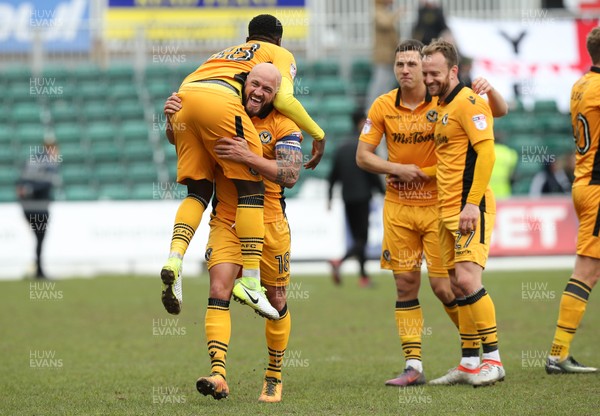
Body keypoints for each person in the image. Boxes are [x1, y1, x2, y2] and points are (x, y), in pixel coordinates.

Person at [356, 39, 508, 387]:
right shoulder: (394, 105)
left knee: (449, 286)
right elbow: (363, 156)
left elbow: (492, 121)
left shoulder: (453, 101)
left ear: (446, 72)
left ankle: (485, 356)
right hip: (403, 207)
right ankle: (423, 364)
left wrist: (491, 89)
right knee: (407, 283)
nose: (409, 72)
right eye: (402, 66)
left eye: (418, 67)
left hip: (448, 205)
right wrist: (399, 168)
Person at [161, 14, 325, 320]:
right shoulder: (277, 56)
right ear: (278, 40)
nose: (260, 91)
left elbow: (184, 129)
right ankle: (250, 281)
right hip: (219, 104)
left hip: (185, 96)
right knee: (252, 187)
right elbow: (287, 99)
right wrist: (318, 133)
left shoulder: (224, 55)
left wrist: (170, 121)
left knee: (197, 192)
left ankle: (174, 258)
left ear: (248, 38)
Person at [164, 62, 303, 402]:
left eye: (267, 90)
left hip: (269, 224)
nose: (257, 92)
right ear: (245, 82)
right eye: (254, 84)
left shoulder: (284, 124)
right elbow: (186, 142)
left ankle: (273, 375)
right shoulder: (224, 111)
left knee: (277, 300)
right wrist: (173, 121)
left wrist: (248, 156)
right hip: (226, 220)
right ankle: (218, 373)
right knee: (218, 289)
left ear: (276, 94)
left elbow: (289, 174)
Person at [422, 38, 505, 386]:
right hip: (444, 209)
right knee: (454, 285)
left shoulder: (469, 101)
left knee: (469, 280)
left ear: (454, 70)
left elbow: (486, 155)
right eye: (426, 72)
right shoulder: (442, 106)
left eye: (435, 73)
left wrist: (471, 203)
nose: (428, 79)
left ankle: (494, 360)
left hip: (469, 207)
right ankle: (470, 361)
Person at [545, 26, 600, 374]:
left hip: (584, 181)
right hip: (597, 187)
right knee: (587, 270)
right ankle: (558, 354)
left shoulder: (581, 84)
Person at [327, 110, 384, 287]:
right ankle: (340, 261)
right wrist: (384, 193)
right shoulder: (365, 146)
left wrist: (329, 198)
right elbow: (373, 174)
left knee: (357, 237)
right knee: (362, 239)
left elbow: (332, 176)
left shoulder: (342, 146)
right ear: (361, 123)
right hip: (363, 197)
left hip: (347, 198)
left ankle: (363, 277)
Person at [16, 138, 61, 279]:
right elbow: (45, 185)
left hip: (27, 208)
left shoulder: (31, 160)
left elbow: (20, 183)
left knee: (38, 238)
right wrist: (30, 190)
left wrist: (25, 190)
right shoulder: (49, 163)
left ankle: (37, 268)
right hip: (40, 209)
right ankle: (38, 270)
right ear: (51, 148)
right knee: (40, 238)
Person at [365, 0, 402, 108]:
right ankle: (369, 111)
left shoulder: (386, 11)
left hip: (391, 57)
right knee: (378, 86)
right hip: (382, 57)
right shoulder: (377, 11)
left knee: (387, 86)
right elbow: (385, 23)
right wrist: (396, 14)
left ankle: (383, 110)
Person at [489, 134, 518, 199]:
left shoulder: (486, 152)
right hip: (504, 192)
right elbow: (513, 175)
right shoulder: (510, 153)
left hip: (487, 191)